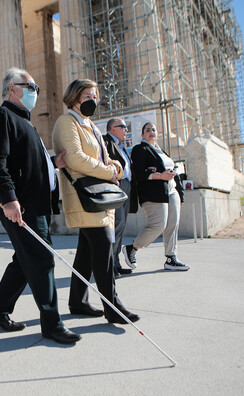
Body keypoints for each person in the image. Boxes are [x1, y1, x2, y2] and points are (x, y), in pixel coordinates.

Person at [0, 67, 80, 345]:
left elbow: (23, 161)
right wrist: (8, 198)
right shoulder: (2, 116)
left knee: (25, 260)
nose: (35, 92)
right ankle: (52, 324)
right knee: (42, 260)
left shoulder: (24, 120)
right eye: (30, 87)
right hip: (20, 205)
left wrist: (51, 162)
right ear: (13, 89)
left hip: (34, 204)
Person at [52, 78, 140, 325]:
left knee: (87, 251)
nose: (93, 101)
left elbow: (107, 157)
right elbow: (75, 159)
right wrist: (109, 171)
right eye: (88, 96)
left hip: (99, 194)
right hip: (84, 194)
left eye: (95, 96)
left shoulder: (90, 125)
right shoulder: (66, 122)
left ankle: (77, 302)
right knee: (103, 249)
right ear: (74, 98)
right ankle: (113, 307)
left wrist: (116, 168)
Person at [122, 122, 190, 271]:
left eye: (153, 129)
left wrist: (180, 194)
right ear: (142, 135)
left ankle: (171, 258)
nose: (151, 132)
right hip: (154, 192)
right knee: (158, 225)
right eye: (147, 130)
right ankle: (132, 248)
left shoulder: (162, 152)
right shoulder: (140, 149)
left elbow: (174, 174)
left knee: (173, 225)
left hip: (171, 191)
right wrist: (160, 175)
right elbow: (140, 173)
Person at [103, 117, 134, 277]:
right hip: (115, 186)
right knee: (116, 224)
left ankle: (115, 263)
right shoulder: (105, 142)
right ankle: (109, 265)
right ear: (111, 129)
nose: (126, 130)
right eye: (122, 126)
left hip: (126, 186)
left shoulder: (122, 146)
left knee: (121, 226)